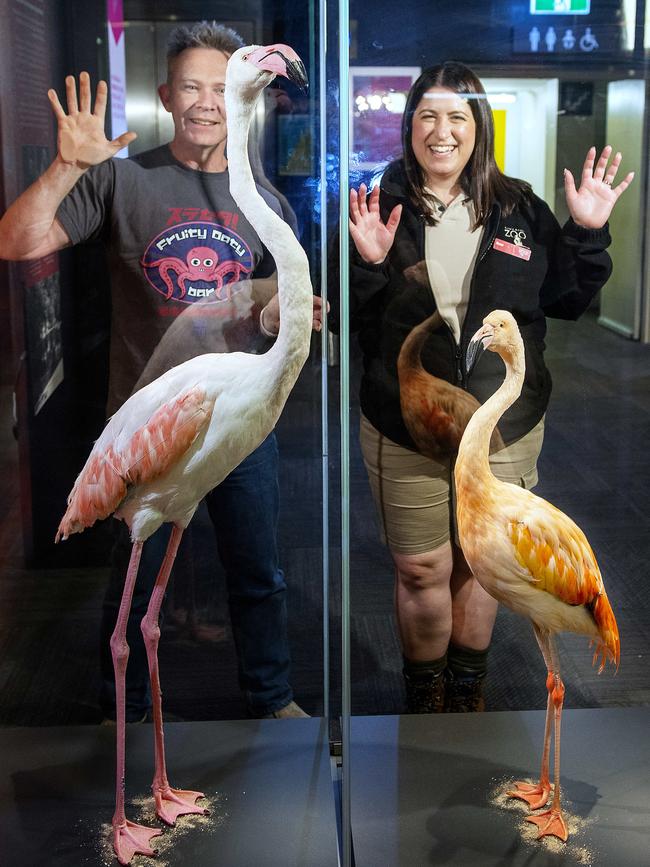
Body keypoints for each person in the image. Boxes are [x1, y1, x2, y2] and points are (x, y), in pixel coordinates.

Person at [0, 21, 325, 721]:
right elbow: (17, 241)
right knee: (133, 569)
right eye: (192, 87)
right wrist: (66, 169)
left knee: (258, 569)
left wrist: (281, 313)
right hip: (150, 420)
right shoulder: (123, 179)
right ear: (167, 96)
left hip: (239, 415)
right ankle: (119, 709)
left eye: (219, 86)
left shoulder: (265, 201)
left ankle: (270, 698)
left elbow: (264, 303)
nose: (207, 102)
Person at [337, 62, 633, 714]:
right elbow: (350, 321)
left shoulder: (521, 207)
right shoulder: (373, 203)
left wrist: (586, 233)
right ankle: (425, 695)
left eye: (457, 117)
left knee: (482, 567)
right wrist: (365, 266)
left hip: (503, 427)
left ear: (480, 128)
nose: (442, 131)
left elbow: (567, 300)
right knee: (422, 568)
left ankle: (467, 695)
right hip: (405, 419)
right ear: (409, 123)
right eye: (428, 116)